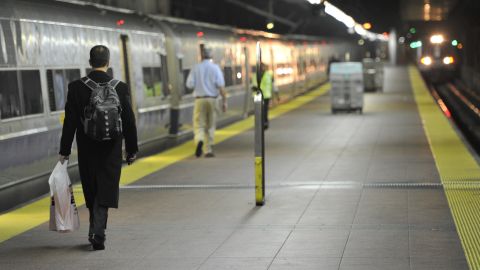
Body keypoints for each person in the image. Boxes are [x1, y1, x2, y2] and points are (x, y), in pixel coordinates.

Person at [58, 45, 138, 250]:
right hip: (111, 147)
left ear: (90, 62)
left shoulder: (76, 87)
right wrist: (131, 149)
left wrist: (64, 150)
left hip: (87, 147)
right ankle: (98, 231)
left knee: (92, 188)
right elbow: (129, 120)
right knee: (106, 188)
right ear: (108, 62)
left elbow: (70, 122)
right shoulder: (120, 87)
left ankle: (96, 229)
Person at [186, 46, 227, 158]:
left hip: (199, 99)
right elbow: (221, 86)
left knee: (199, 125)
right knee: (210, 125)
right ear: (212, 56)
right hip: (212, 99)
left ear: (202, 55)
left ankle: (199, 140)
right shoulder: (215, 68)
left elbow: (189, 84)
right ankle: (208, 150)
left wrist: (200, 84)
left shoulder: (195, 68)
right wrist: (224, 101)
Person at [254, 63, 275, 129]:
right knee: (260, 110)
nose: (261, 68)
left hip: (266, 95)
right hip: (258, 96)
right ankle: (261, 123)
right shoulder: (255, 75)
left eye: (262, 67)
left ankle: (265, 123)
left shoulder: (268, 75)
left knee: (265, 110)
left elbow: (271, 85)